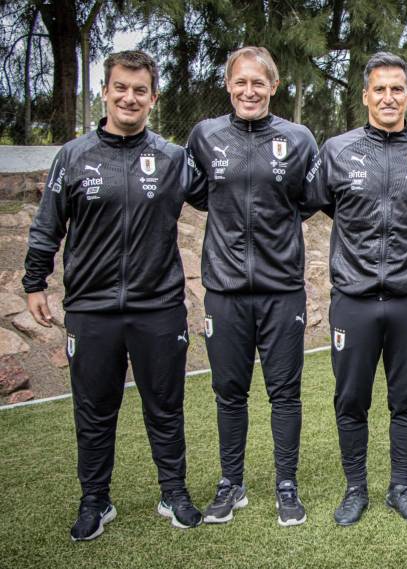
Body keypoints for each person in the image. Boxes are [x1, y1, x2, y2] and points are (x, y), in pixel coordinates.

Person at [23, 50, 207, 540]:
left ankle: (175, 493)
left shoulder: (172, 159)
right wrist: (34, 281)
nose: (130, 97)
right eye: (120, 88)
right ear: (105, 91)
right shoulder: (73, 156)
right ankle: (95, 502)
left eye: (140, 90)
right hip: (91, 310)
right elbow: (48, 225)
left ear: (153, 98)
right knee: (93, 409)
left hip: (159, 308)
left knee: (165, 406)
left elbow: (224, 197)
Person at [304, 52, 407, 526]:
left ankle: (400, 487)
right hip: (353, 301)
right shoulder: (336, 150)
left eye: (397, 89)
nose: (389, 97)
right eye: (380, 89)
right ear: (366, 95)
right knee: (351, 399)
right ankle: (355, 489)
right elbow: (317, 203)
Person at [185, 46, 318, 527]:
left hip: (282, 289)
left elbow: (310, 197)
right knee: (229, 391)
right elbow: (198, 191)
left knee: (285, 393)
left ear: (273, 87)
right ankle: (230, 484)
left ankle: (287, 486)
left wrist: (275, 233)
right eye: (240, 82)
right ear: (228, 85)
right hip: (223, 289)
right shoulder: (204, 136)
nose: (249, 91)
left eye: (258, 83)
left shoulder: (299, 139)